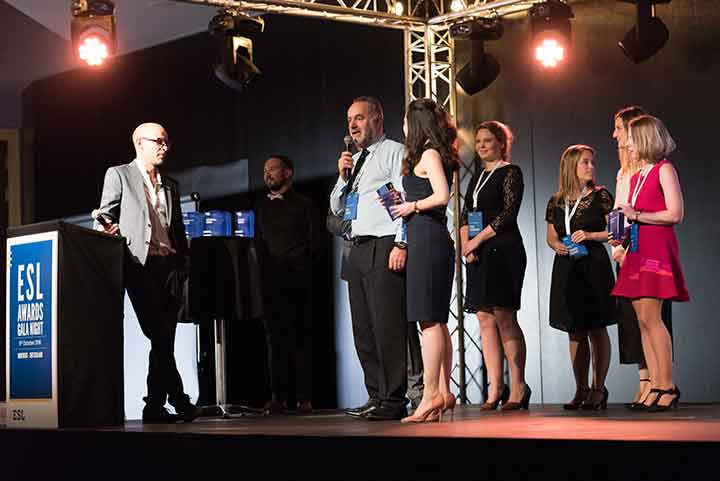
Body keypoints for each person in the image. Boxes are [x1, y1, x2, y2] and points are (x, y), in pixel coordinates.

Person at [96, 122, 197, 423]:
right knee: (159, 333)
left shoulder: (171, 185)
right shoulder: (119, 175)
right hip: (139, 265)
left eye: (166, 142)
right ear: (139, 143)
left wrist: (184, 263)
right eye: (158, 142)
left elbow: (176, 228)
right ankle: (178, 399)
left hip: (170, 267)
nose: (164, 147)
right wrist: (106, 227)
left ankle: (153, 406)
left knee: (164, 339)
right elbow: (104, 214)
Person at [329, 96, 409, 420]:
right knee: (363, 329)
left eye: (359, 118)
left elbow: (404, 201)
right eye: (350, 119)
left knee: (387, 326)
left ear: (377, 119)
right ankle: (375, 394)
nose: (353, 124)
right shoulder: (355, 161)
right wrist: (342, 175)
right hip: (356, 248)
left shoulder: (393, 151)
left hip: (383, 243)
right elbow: (337, 207)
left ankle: (393, 399)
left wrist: (401, 243)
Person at [385, 99, 458, 423]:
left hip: (428, 239)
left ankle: (430, 395)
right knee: (435, 321)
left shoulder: (429, 154)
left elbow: (441, 196)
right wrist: (406, 203)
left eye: (405, 121)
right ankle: (442, 392)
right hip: (426, 237)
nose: (402, 126)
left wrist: (411, 206)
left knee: (428, 320)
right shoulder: (429, 155)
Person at [611, 115, 689, 411]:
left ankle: (667, 385)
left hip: (656, 246)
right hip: (637, 247)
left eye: (632, 139)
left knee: (653, 317)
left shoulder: (664, 169)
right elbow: (630, 216)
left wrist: (637, 215)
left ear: (645, 140)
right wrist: (621, 236)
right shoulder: (636, 176)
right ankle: (655, 384)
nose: (627, 144)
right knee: (642, 319)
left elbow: (675, 214)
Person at [460, 121, 530, 410]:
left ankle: (518, 386)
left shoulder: (511, 172)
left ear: (501, 143)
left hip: (504, 250)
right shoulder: (477, 177)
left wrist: (476, 240)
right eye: (478, 141)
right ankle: (495, 387)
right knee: (484, 318)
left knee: (504, 316)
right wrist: (466, 244)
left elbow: (508, 214)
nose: (482, 145)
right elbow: (465, 213)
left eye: (488, 140)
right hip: (478, 253)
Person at [545, 145, 616, 410]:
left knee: (597, 327)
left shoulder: (601, 196)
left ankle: (599, 388)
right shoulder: (556, 201)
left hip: (593, 265)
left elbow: (616, 232)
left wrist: (590, 235)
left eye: (592, 162)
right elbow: (551, 236)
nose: (590, 166)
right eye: (585, 162)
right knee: (574, 330)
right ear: (570, 167)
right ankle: (581, 388)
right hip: (567, 268)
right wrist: (556, 245)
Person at [255, 155, 321, 415]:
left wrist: (301, 268)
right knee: (274, 340)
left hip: (298, 280)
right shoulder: (261, 207)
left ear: (288, 173)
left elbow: (315, 245)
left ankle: (305, 398)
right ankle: (278, 397)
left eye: (272, 169)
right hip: (270, 282)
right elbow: (257, 244)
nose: (267, 174)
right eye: (265, 170)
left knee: (301, 338)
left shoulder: (305, 205)